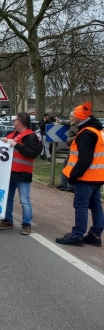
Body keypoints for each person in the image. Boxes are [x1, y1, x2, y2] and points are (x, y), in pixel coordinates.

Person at [56, 103, 104, 247]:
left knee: (81, 205)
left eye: (74, 114)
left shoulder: (86, 133)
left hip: (86, 177)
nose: (72, 117)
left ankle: (77, 235)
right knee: (96, 206)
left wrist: (73, 176)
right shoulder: (98, 131)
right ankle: (95, 235)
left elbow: (84, 159)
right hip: (98, 176)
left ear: (78, 116)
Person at [0, 112, 40, 235]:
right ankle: (8, 220)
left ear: (19, 122)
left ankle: (27, 224)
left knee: (24, 200)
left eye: (15, 120)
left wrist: (17, 145)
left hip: (23, 173)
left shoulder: (30, 136)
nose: (14, 122)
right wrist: (4, 142)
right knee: (8, 198)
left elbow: (33, 153)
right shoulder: (12, 135)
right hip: (10, 173)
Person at [55, 114, 79, 192]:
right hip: (72, 149)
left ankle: (71, 186)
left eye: (70, 116)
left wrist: (69, 140)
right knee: (66, 166)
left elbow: (79, 135)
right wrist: (60, 121)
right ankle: (64, 184)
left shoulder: (77, 125)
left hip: (75, 150)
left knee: (69, 166)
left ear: (74, 117)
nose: (69, 118)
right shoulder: (72, 123)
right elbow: (67, 122)